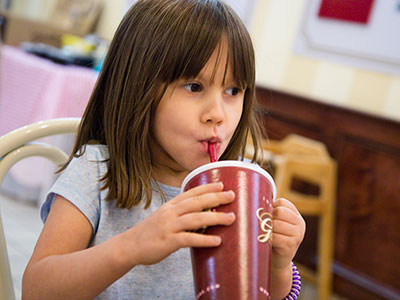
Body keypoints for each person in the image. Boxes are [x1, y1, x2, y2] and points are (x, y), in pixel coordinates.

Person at [22, 0, 305, 299]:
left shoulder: (242, 189)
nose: (218, 113)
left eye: (233, 91)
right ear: (138, 87)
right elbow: (36, 290)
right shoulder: (95, 175)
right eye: (194, 87)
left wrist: (278, 265)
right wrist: (132, 246)